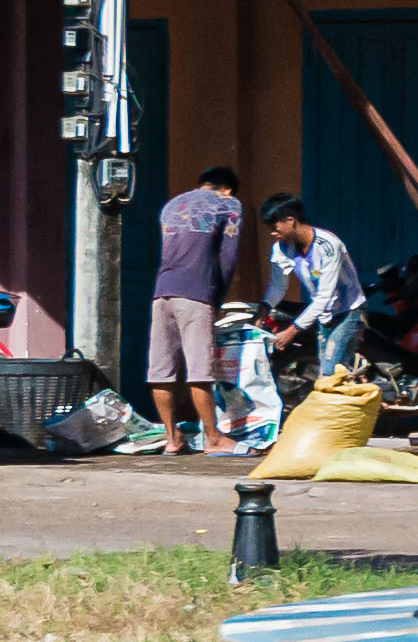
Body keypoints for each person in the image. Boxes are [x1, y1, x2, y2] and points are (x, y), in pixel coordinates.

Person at [145, 159, 248, 451]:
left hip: (161, 293)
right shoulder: (228, 204)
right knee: (200, 369)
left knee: (160, 370)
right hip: (196, 293)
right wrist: (217, 299)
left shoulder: (172, 205)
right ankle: (213, 438)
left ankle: (171, 438)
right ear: (227, 188)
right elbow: (227, 258)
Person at [247, 195, 358, 428]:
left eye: (274, 226)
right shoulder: (281, 249)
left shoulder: (327, 245)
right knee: (330, 373)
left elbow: (325, 296)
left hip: (347, 311)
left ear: (291, 220)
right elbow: (278, 286)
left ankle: (332, 430)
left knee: (330, 373)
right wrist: (264, 309)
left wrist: (292, 331)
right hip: (323, 315)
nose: (272, 233)